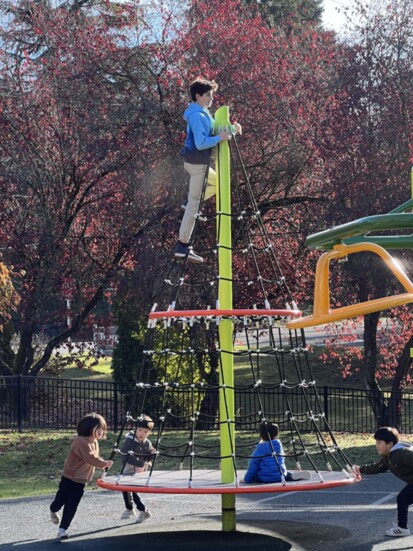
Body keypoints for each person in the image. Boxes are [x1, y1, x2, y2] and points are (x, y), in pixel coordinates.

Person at [175, 77, 241, 264]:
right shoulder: (196, 116)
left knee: (220, 183)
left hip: (199, 163)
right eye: (207, 95)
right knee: (194, 206)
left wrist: (233, 130)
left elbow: (216, 130)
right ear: (198, 96)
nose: (211, 98)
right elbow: (201, 143)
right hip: (196, 165)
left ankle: (188, 203)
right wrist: (220, 138)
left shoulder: (203, 112)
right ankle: (182, 246)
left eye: (211, 95)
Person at [50, 412, 113, 540]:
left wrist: (102, 463)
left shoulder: (93, 441)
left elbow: (92, 458)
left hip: (81, 481)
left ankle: (62, 529)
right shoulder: (81, 442)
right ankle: (53, 509)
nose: (101, 431)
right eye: (99, 429)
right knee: (60, 500)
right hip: (70, 477)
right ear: (89, 428)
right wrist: (104, 463)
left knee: (72, 504)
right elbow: (90, 458)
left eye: (102, 429)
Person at [353, 426, 413, 537]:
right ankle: (402, 528)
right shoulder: (388, 456)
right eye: (376, 442)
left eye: (380, 442)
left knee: (403, 498)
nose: (377, 445)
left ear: (390, 444)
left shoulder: (402, 454)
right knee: (403, 499)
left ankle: (402, 528)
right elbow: (378, 467)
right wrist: (360, 470)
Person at [242, 421, 311, 484]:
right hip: (281, 475)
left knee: (255, 475)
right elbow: (282, 459)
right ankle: (292, 475)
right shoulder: (278, 445)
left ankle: (289, 475)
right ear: (276, 435)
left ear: (261, 435)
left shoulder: (260, 448)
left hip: (265, 478)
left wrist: (246, 480)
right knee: (285, 473)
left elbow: (252, 466)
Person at [120, 414, 156, 523]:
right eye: (140, 430)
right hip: (129, 468)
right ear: (135, 429)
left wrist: (152, 455)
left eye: (145, 432)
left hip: (139, 470)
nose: (142, 433)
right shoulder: (129, 440)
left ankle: (141, 510)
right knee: (126, 489)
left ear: (149, 433)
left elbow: (148, 456)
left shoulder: (147, 443)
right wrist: (140, 463)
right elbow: (125, 455)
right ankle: (133, 509)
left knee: (133, 490)